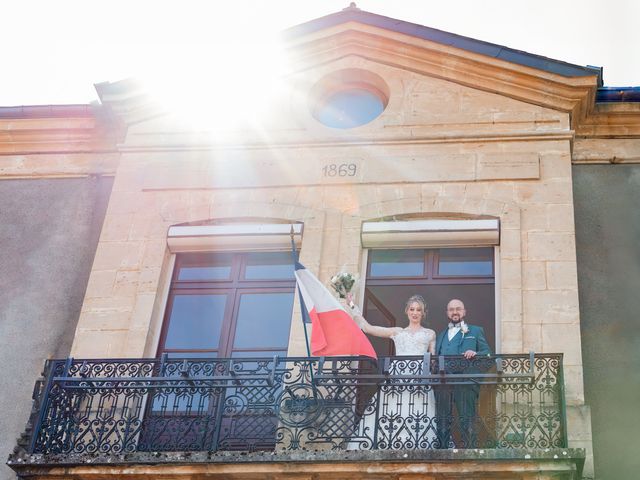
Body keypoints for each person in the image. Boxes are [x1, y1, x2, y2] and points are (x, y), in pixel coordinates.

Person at [346, 293, 437, 449]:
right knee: (393, 408)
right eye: (412, 309)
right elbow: (368, 328)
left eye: (418, 310)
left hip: (420, 376)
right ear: (407, 311)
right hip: (397, 376)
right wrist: (353, 306)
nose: (415, 313)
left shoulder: (430, 333)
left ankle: (417, 444)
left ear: (423, 313)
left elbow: (433, 358)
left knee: (417, 409)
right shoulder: (397, 331)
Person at [434, 298, 491, 449]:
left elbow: (488, 355)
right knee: (443, 417)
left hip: (466, 381)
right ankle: (443, 448)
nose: (455, 312)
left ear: (464, 311)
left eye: (458, 309)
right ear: (447, 313)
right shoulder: (440, 336)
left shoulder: (475, 331)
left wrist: (476, 353)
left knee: (467, 417)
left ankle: (470, 448)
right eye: (451, 309)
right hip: (443, 382)